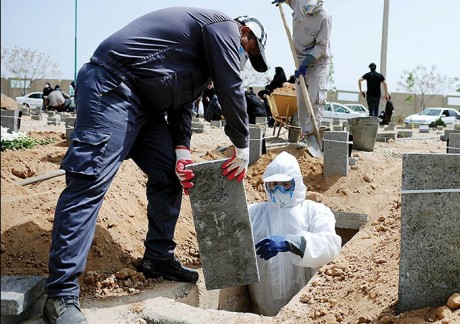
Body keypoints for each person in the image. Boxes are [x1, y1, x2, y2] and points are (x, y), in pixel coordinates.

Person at [42, 7, 269, 324]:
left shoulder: (201, 62)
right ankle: (61, 295)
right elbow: (230, 84)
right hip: (113, 86)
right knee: (89, 179)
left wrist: (181, 149)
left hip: (144, 107)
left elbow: (183, 105)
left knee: (169, 175)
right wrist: (241, 143)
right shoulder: (224, 27)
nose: (244, 57)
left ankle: (157, 257)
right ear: (244, 31)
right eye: (249, 49)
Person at [248, 151, 341, 316]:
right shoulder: (254, 213)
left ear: (296, 183)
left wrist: (291, 242)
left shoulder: (314, 212)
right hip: (261, 309)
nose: (279, 190)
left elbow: (330, 246)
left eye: (285, 184)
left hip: (304, 309)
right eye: (273, 184)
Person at [272, 0, 331, 136]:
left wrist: (307, 62)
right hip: (299, 60)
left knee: (315, 97)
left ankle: (313, 136)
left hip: (318, 61)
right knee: (302, 100)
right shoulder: (299, 3)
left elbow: (321, 47)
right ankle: (306, 134)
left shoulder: (325, 17)